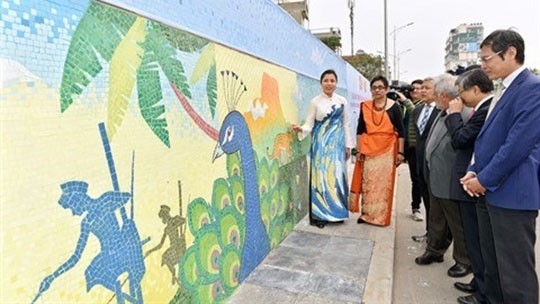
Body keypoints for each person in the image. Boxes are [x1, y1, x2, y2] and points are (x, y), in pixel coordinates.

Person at [461, 29, 540, 304]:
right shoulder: (503, 89)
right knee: (493, 267)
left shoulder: (532, 88)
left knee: (515, 276)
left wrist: (483, 179)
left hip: (512, 194)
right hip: (491, 191)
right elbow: (490, 139)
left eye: (487, 58)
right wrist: (475, 170)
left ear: (511, 53)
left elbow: (516, 146)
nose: (483, 65)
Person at [33, 181, 145, 304]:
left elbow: (126, 197)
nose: (74, 212)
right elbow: (76, 256)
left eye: (72, 207)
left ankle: (128, 291)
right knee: (91, 273)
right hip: (108, 256)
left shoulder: (105, 201)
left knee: (128, 224)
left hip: (123, 247)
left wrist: (117, 202)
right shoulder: (87, 221)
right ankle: (123, 295)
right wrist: (52, 277)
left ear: (78, 199)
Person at [414, 73, 472, 279]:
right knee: (437, 218)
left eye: (437, 94)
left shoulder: (463, 115)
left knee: (457, 223)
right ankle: (435, 251)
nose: (434, 97)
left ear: (445, 96)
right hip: (435, 176)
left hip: (450, 179)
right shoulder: (442, 111)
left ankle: (464, 261)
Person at [445, 68, 493, 304]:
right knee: (475, 240)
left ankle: (482, 293)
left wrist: (454, 114)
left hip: (474, 184)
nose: (459, 97)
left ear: (475, 89)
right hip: (469, 181)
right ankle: (478, 282)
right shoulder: (481, 109)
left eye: (461, 91)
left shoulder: (486, 110)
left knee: (477, 240)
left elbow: (460, 140)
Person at [291, 69, 354, 228]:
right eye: (326, 80)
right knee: (320, 177)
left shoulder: (342, 101)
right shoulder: (315, 102)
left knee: (336, 176)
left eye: (332, 80)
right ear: (321, 83)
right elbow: (309, 123)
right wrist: (302, 129)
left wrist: (348, 145)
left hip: (337, 144)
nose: (329, 83)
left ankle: (337, 213)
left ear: (336, 83)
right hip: (320, 144)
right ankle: (320, 214)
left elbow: (346, 124)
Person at [349, 75, 405, 227]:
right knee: (368, 182)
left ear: (386, 89)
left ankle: (380, 217)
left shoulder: (394, 107)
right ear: (371, 90)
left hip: (387, 150)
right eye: (374, 87)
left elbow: (401, 131)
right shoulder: (365, 106)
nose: (377, 90)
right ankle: (366, 215)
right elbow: (360, 129)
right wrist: (359, 149)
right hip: (368, 149)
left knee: (382, 185)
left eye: (381, 87)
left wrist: (400, 153)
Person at [411, 78, 440, 241]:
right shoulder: (417, 110)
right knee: (426, 199)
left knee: (436, 202)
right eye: (421, 88)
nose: (422, 91)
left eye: (427, 88)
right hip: (420, 161)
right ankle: (430, 233)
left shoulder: (442, 111)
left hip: (435, 163)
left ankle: (438, 237)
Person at [397, 79, 425, 221]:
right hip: (400, 145)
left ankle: (416, 207)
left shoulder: (423, 106)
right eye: (413, 88)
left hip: (414, 147)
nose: (415, 91)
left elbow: (417, 115)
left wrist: (405, 102)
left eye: (419, 88)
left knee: (416, 178)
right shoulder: (401, 105)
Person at [145, 205, 186, 285]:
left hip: (178, 246)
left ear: (166, 215)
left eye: (163, 218)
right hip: (173, 248)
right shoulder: (166, 229)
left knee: (167, 257)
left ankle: (175, 276)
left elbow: (184, 221)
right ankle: (173, 273)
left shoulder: (175, 220)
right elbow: (160, 245)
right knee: (165, 257)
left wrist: (178, 221)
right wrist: (150, 251)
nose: (162, 220)